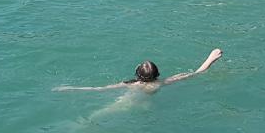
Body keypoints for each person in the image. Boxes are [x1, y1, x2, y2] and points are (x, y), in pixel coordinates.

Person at [55, 49, 222, 92]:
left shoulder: (131, 85)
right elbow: (197, 73)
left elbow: (98, 89)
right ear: (157, 74)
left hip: (130, 100)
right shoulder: (164, 83)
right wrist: (211, 58)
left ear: (137, 74)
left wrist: (70, 88)